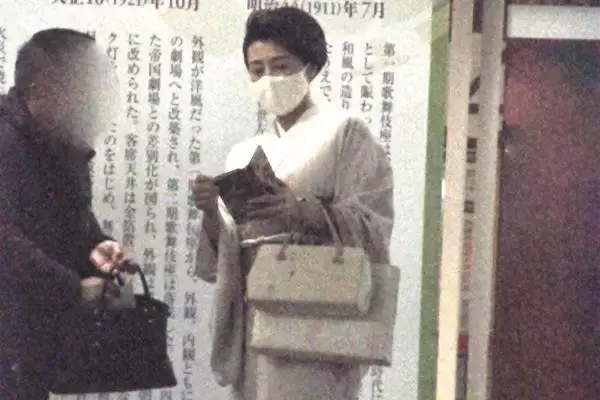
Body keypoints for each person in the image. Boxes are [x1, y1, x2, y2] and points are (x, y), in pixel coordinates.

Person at [193, 7, 394, 400]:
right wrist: (212, 212)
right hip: (255, 312)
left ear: (311, 67)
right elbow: (225, 253)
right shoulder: (245, 152)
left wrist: (308, 212)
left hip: (315, 313)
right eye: (257, 69)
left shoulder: (345, 133)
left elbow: (373, 225)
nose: (268, 79)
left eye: (280, 66)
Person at [0, 28, 128, 399]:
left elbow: (74, 220)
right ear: (39, 93)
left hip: (30, 340)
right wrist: (74, 288)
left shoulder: (62, 143)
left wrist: (97, 247)